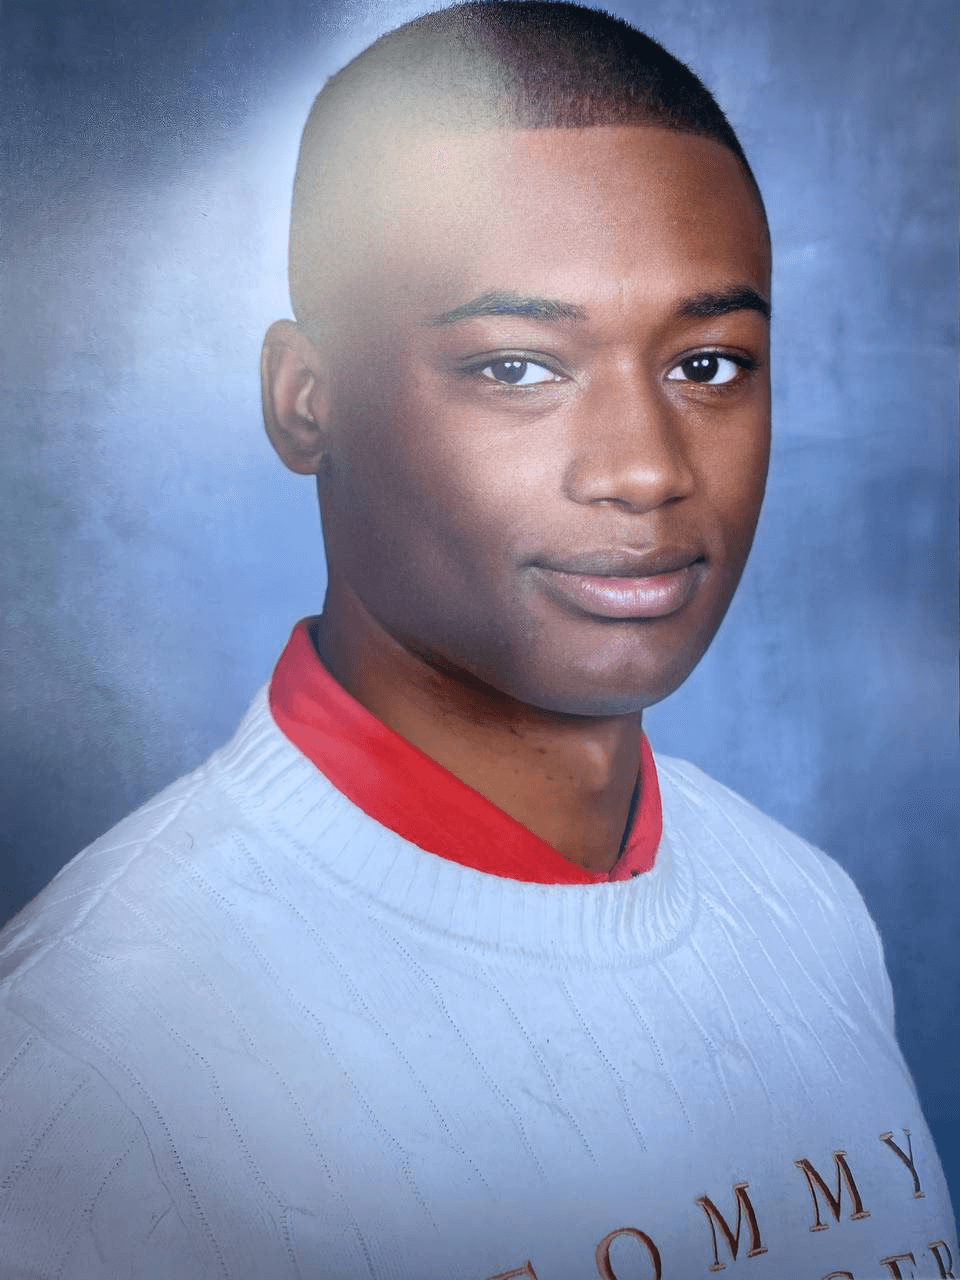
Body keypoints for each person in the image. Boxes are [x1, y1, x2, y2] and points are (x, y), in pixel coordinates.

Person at [0, 3, 954, 1277]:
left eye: (710, 366)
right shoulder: (98, 1068)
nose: (644, 470)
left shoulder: (807, 909)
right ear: (304, 399)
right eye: (515, 367)